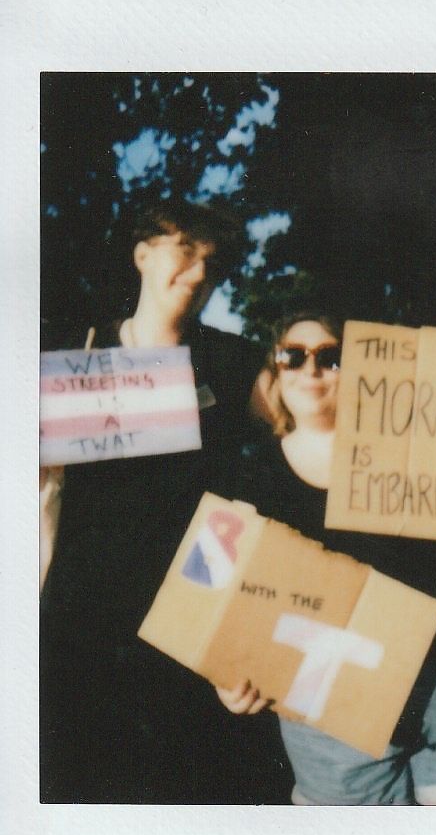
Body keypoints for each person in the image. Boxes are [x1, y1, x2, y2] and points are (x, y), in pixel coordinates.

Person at [217, 312, 436, 805]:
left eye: (331, 356)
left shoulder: (417, 445)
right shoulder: (250, 475)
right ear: (275, 372)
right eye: (293, 356)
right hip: (331, 712)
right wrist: (231, 673)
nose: (311, 369)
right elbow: (229, 595)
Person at [40, 199, 290, 804]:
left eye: (214, 262)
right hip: (79, 632)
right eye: (186, 250)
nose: (200, 272)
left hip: (192, 633)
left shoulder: (234, 365)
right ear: (142, 255)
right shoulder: (77, 356)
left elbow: (313, 425)